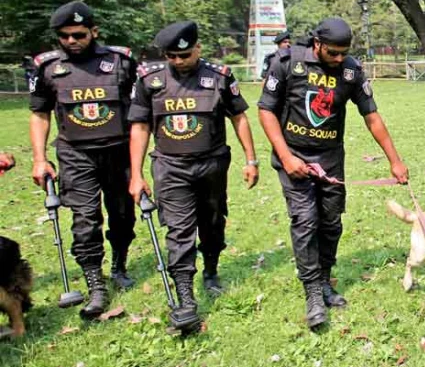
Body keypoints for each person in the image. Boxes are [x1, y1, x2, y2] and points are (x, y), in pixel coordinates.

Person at [257, 18, 408, 330]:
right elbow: (266, 110)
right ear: (317, 44)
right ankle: (312, 291)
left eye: (344, 53)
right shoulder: (287, 63)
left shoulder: (351, 70)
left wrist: (394, 159)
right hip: (294, 158)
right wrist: (286, 157)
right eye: (333, 53)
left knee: (330, 222)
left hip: (330, 158)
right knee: (304, 221)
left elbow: (372, 116)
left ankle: (325, 279)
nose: (339, 59)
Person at [127, 21, 258, 331]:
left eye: (183, 55)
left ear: (198, 48)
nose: (177, 61)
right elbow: (140, 126)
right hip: (170, 167)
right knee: (179, 230)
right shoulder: (149, 81)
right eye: (171, 56)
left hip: (212, 164)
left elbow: (239, 118)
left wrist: (251, 159)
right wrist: (136, 174)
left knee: (213, 222)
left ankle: (211, 270)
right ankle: (185, 296)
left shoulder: (219, 78)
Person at [29, 1, 138, 319]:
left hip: (119, 151)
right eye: (63, 36)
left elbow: (142, 109)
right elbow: (39, 114)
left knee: (122, 215)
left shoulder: (121, 62)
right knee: (85, 220)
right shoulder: (48, 68)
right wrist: (39, 159)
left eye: (78, 34)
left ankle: (119, 264)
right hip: (75, 155)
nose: (71, 41)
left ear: (94, 31)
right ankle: (95, 283)